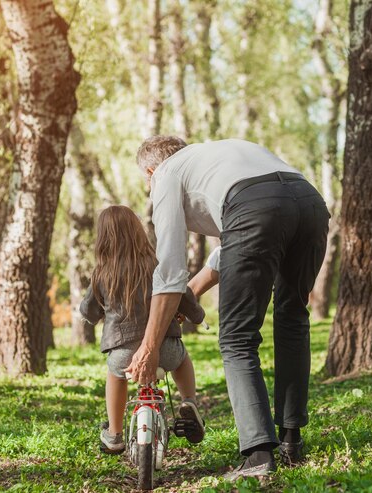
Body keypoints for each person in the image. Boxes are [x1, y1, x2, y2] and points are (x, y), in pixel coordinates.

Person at [125, 137, 329, 479]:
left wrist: (148, 347)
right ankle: (292, 441)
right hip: (309, 203)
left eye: (147, 182)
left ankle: (258, 455)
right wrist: (191, 293)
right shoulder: (214, 156)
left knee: (237, 337)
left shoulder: (166, 175)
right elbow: (235, 242)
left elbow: (170, 269)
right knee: (292, 318)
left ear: (150, 170)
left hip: (256, 209)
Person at [79, 205, 206, 454]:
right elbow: (183, 294)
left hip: (122, 353)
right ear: (138, 231)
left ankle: (114, 433)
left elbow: (89, 311)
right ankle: (189, 401)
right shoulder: (157, 265)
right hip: (165, 347)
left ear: (103, 237)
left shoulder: (102, 273)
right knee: (181, 360)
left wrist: (97, 314)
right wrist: (197, 315)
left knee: (115, 375)